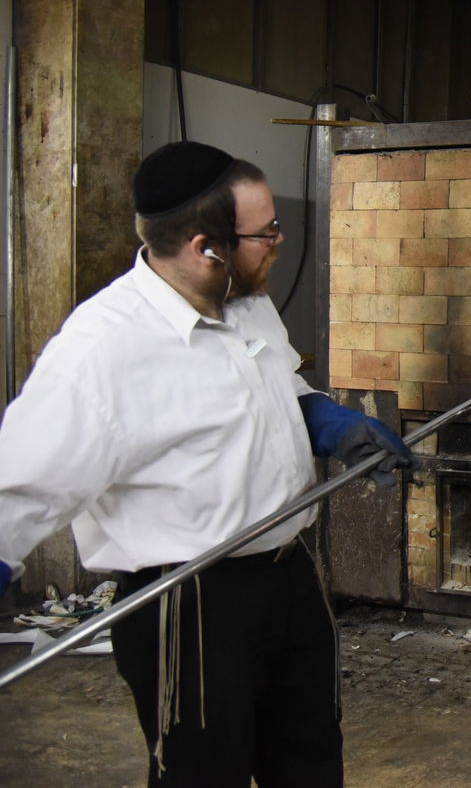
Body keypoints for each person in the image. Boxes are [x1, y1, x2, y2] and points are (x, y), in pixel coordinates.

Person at [0, 141, 415, 787]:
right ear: (206, 247)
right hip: (189, 603)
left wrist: (331, 426)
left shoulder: (245, 299)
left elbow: (277, 392)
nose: (279, 240)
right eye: (266, 232)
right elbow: (17, 488)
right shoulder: (100, 351)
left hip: (289, 577)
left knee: (310, 764)